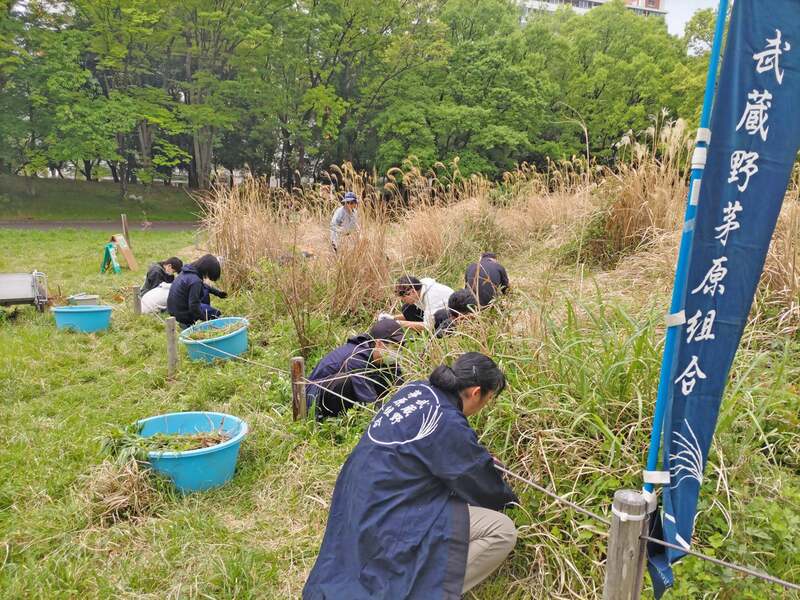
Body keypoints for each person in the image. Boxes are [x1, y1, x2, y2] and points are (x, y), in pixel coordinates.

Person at [303, 352, 518, 599]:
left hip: (355, 503)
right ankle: (421, 591)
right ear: (476, 392)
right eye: (487, 400)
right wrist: (512, 503)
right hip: (388, 517)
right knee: (502, 531)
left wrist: (476, 459)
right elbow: (480, 483)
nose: (482, 408)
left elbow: (439, 453)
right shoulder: (448, 421)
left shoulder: (416, 390)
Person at [306, 319, 406, 420]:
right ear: (379, 344)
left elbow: (400, 387)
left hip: (340, 395)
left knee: (385, 376)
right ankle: (329, 418)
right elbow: (369, 401)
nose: (398, 351)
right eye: (395, 347)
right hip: (313, 397)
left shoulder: (386, 360)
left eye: (401, 347)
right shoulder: (356, 357)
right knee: (345, 381)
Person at [166, 254, 228, 328]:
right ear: (207, 270)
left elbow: (203, 286)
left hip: (175, 311)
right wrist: (205, 319)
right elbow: (193, 306)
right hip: (183, 315)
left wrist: (217, 293)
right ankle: (189, 323)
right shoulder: (195, 281)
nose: (207, 277)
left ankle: (190, 320)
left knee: (204, 292)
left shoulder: (188, 271)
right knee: (215, 313)